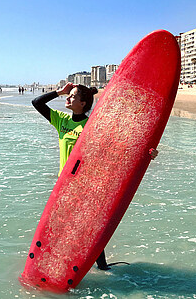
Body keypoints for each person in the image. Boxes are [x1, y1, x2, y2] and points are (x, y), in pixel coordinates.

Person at [32, 82, 158, 270]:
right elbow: (37, 103)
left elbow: (118, 149)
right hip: (64, 185)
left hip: (86, 186)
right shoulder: (61, 121)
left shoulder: (92, 126)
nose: (68, 98)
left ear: (83, 103)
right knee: (59, 227)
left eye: (72, 96)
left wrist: (147, 154)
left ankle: (102, 267)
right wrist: (59, 92)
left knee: (88, 228)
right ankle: (55, 265)